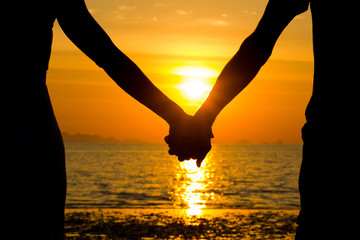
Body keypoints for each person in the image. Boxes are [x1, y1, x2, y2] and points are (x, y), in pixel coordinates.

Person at [3, 0, 197, 239]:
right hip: (31, 126)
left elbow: (105, 53)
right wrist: (176, 117)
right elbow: (105, 53)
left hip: (32, 127)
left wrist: (175, 116)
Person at [166, 0, 359, 239]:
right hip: (328, 146)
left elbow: (261, 41)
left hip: (330, 147)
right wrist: (204, 116)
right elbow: (260, 42)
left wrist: (205, 117)